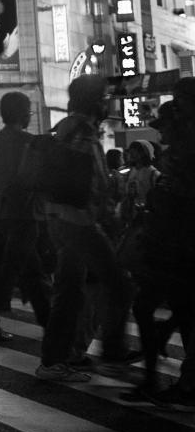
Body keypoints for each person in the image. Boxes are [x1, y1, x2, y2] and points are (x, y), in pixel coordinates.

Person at [35, 75, 135, 383]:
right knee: (118, 282)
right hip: (77, 221)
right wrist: (108, 211)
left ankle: (54, 361)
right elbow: (94, 182)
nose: (106, 102)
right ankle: (113, 355)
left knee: (69, 292)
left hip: (58, 218)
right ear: (94, 100)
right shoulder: (83, 131)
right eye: (103, 97)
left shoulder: (63, 128)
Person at [120, 84, 195, 408]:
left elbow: (177, 198)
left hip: (176, 244)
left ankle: (169, 381)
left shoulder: (183, 153)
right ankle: (172, 380)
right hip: (171, 242)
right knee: (179, 309)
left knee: (172, 308)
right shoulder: (178, 152)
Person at [0, 91, 51, 343]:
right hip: (25, 213)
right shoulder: (30, 142)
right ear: (22, 114)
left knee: (30, 270)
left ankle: (49, 323)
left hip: (1, 215)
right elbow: (39, 180)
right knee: (13, 269)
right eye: (29, 111)